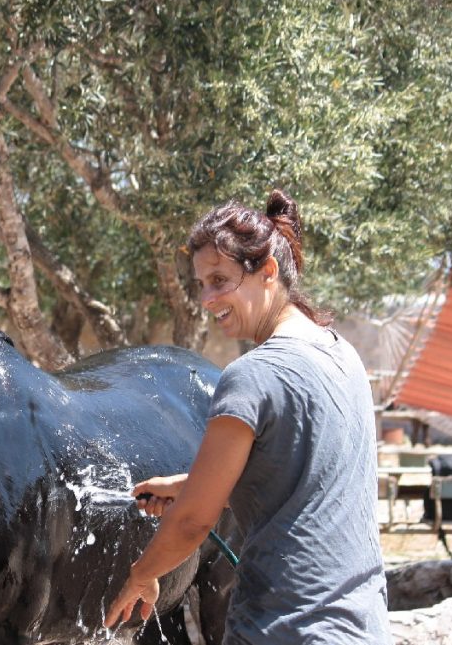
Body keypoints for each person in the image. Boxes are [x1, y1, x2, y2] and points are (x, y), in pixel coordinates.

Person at [103, 190, 391, 643]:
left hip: (285, 628)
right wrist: (188, 485)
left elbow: (194, 522)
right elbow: (309, 472)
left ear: (268, 273)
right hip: (361, 625)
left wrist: (143, 574)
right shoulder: (342, 354)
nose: (206, 297)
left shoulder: (252, 374)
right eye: (201, 284)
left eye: (220, 279)